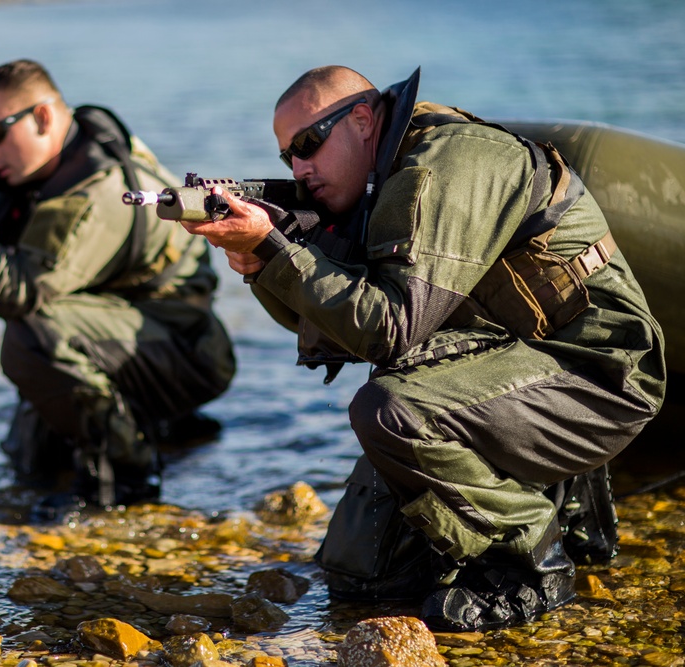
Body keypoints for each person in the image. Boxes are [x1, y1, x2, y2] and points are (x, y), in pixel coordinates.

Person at [175, 66, 665, 631]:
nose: (300, 169)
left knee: (391, 411)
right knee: (360, 573)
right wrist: (265, 262)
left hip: (599, 374)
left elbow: (388, 329)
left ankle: (533, 559)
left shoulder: (447, 163)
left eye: (308, 144)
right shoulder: (376, 185)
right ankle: (551, 496)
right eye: (288, 157)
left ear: (361, 119)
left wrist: (276, 250)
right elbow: (332, 334)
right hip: (512, 362)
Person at [0, 59, 236, 509]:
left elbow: (14, 292)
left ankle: (129, 484)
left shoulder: (96, 190)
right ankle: (157, 433)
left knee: (34, 337)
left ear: (42, 117)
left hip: (187, 353)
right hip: (142, 339)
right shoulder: (69, 164)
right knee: (32, 457)